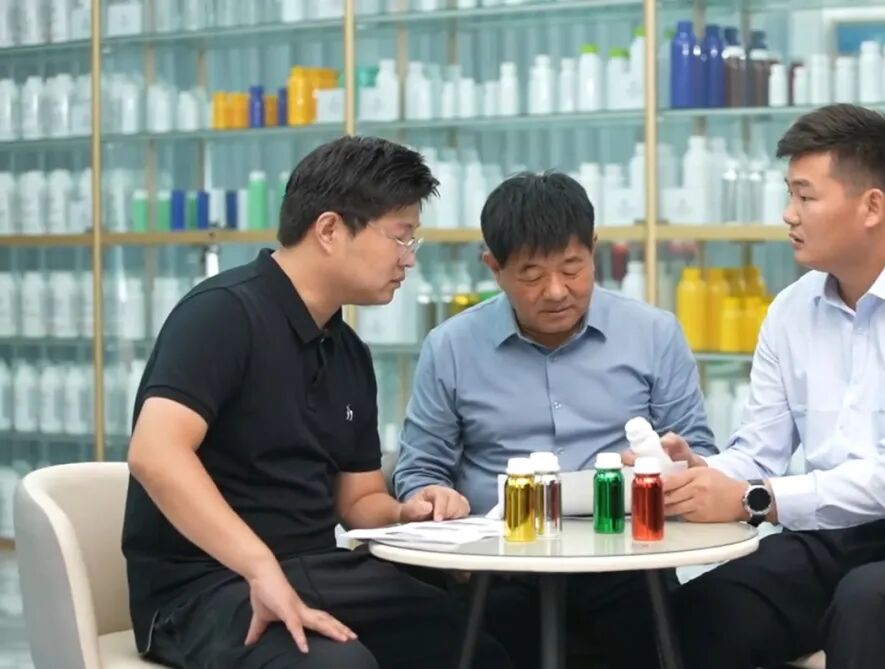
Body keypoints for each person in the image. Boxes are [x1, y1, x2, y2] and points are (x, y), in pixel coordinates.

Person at [634, 104, 885, 669]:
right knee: (699, 612)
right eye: (789, 194)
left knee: (867, 604)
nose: (788, 214)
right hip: (832, 538)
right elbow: (758, 453)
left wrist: (752, 499)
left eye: (805, 196)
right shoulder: (791, 310)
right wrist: (699, 474)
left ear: (871, 206)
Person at [122, 136, 511, 669]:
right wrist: (259, 567)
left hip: (315, 570)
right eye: (400, 237)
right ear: (329, 229)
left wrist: (407, 511)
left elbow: (359, 500)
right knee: (338, 665)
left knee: (479, 642)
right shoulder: (222, 314)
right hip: (207, 585)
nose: (408, 259)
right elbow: (155, 453)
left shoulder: (348, 351)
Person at [392, 171, 717, 669]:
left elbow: (700, 456)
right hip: (499, 568)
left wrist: (680, 465)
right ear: (494, 267)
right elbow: (420, 469)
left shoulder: (653, 334)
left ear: (593, 250)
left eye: (572, 268)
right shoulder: (452, 347)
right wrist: (430, 495)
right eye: (531, 275)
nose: (556, 291)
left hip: (627, 562)